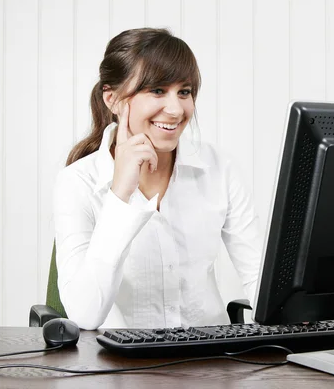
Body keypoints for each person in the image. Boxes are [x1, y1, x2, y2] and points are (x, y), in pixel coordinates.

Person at [53, 28, 261, 330]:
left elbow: (257, 274)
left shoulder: (219, 169)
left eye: (184, 92)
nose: (176, 109)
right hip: (118, 368)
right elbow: (85, 315)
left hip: (210, 361)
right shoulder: (77, 183)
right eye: (157, 91)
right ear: (112, 98)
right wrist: (119, 194)